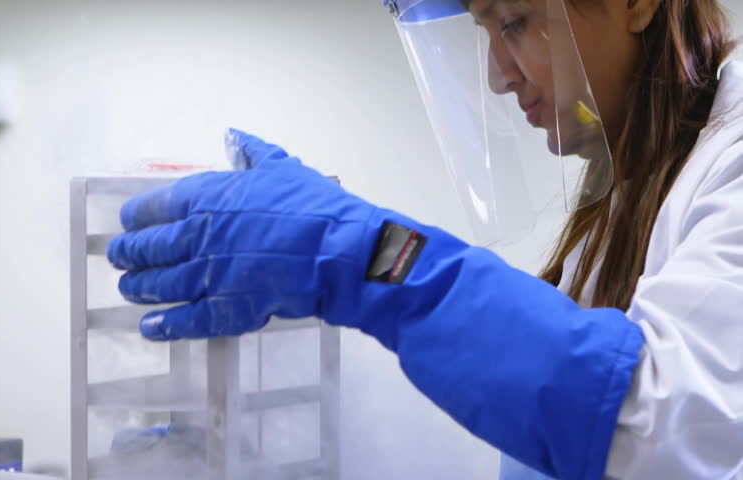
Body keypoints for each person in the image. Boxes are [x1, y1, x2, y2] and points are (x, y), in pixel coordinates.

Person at [106, 0, 743, 478]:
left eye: (514, 21)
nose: (497, 77)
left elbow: (657, 423)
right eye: (486, 32)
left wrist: (367, 254)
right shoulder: (626, 201)